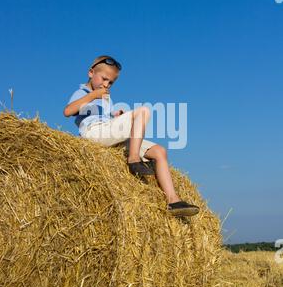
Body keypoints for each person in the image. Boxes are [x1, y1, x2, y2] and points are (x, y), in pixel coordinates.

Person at [63, 55, 199, 218]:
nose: (106, 84)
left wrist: (116, 116)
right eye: (104, 79)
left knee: (159, 152)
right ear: (91, 73)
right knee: (143, 111)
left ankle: (173, 200)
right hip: (93, 133)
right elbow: (68, 111)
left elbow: (104, 117)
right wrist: (93, 95)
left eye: (111, 82)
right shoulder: (82, 91)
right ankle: (133, 159)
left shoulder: (106, 98)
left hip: (107, 132)